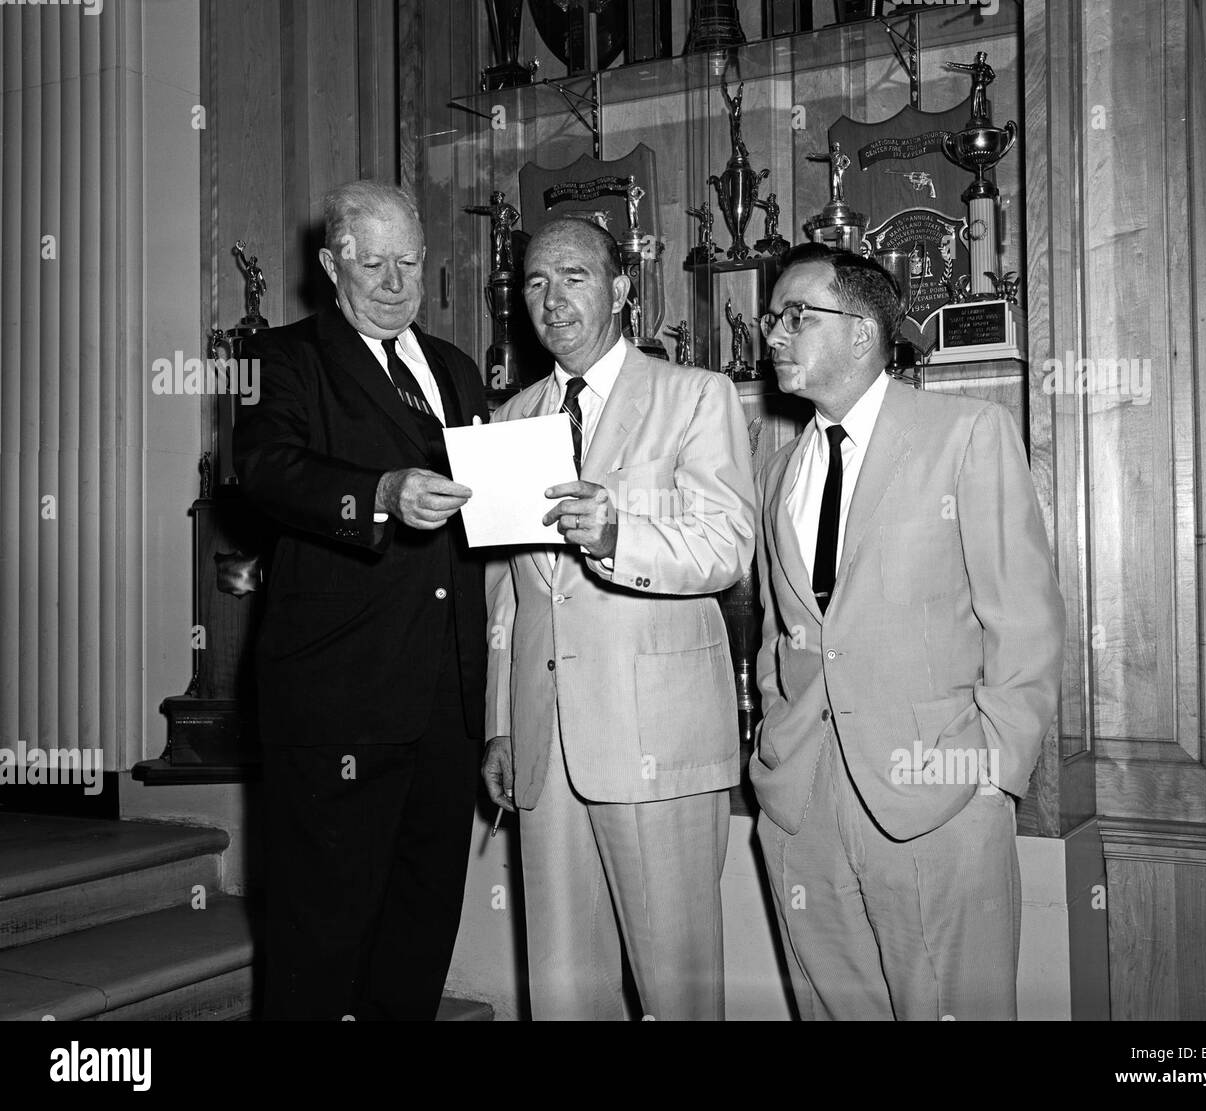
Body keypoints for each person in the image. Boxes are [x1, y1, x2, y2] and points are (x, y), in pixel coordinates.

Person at [751, 242, 1065, 1020]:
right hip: (803, 806)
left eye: (797, 316)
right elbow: (777, 632)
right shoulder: (778, 469)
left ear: (862, 332)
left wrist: (992, 779)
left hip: (939, 801)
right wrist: (774, 747)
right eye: (772, 319)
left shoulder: (968, 434)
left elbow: (1024, 620)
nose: (774, 336)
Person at [481, 215, 756, 1020]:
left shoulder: (694, 395)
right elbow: (510, 589)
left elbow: (726, 544)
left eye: (573, 276)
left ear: (623, 290)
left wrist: (619, 534)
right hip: (546, 738)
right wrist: (503, 718)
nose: (551, 298)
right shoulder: (511, 416)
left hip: (656, 740)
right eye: (534, 281)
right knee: (564, 989)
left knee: (678, 988)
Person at [234, 180, 489, 1021]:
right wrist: (379, 492)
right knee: (318, 944)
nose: (391, 281)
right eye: (371, 262)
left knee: (418, 939)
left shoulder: (454, 368)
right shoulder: (282, 358)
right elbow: (266, 472)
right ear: (329, 265)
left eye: (407, 261)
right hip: (336, 706)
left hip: (444, 711)